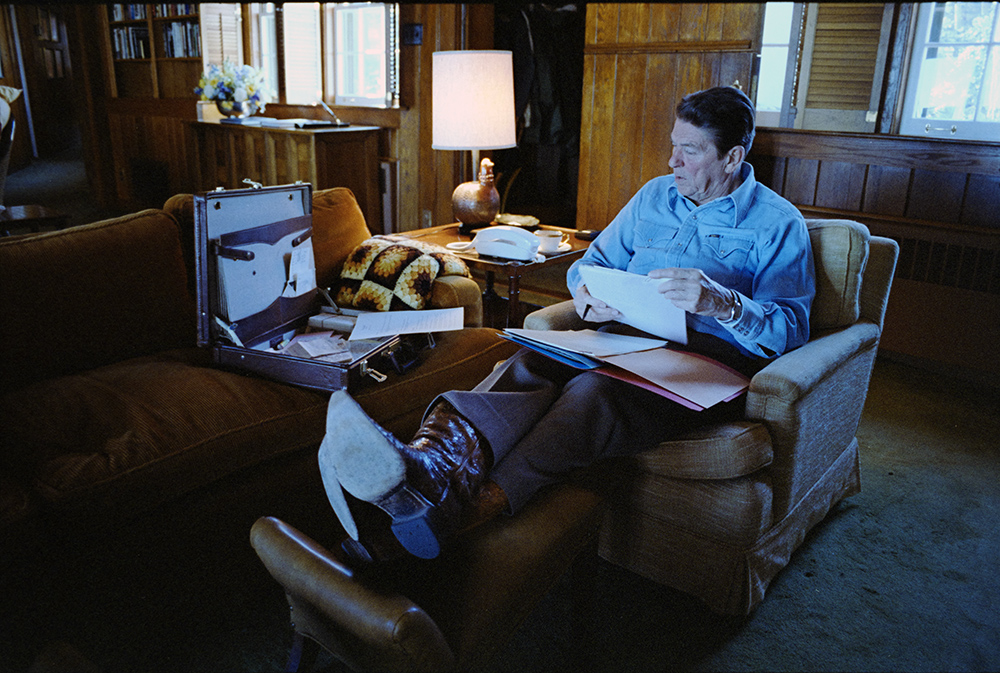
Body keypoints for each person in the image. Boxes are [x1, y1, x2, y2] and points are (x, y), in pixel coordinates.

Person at [318, 86, 815, 561]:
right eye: (673, 146)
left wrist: (724, 304)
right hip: (623, 340)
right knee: (531, 358)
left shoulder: (778, 223)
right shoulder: (653, 196)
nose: (672, 161)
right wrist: (588, 295)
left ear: (732, 158)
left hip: (701, 367)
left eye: (690, 150)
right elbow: (590, 264)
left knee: (593, 394)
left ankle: (464, 514)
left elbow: (791, 330)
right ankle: (430, 461)